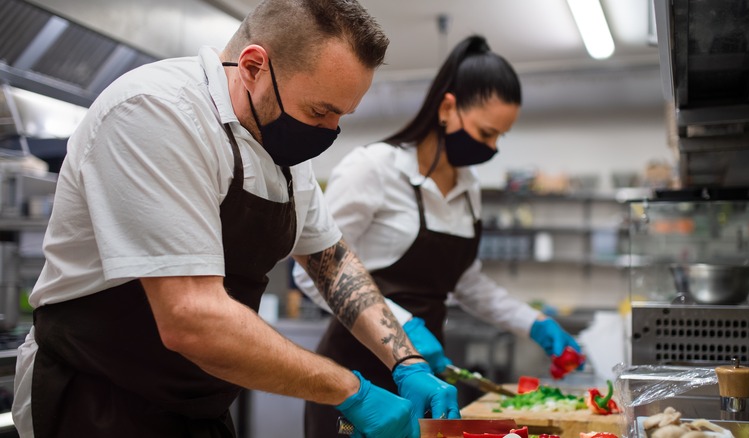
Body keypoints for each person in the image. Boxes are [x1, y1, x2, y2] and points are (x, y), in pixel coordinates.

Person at [12, 1, 460, 437]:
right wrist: (353, 392)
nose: (329, 131)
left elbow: (331, 261)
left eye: (341, 116)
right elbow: (193, 318)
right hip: (96, 398)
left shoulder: (280, 145)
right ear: (252, 66)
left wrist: (406, 360)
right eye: (319, 111)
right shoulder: (157, 111)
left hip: (196, 402)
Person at [294, 35, 583, 437]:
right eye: (486, 133)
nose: (493, 147)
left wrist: (535, 323)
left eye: (501, 136)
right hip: (358, 375)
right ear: (447, 108)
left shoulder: (469, 189)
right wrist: (405, 327)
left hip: (425, 379)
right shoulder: (374, 169)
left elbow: (465, 280)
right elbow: (312, 273)